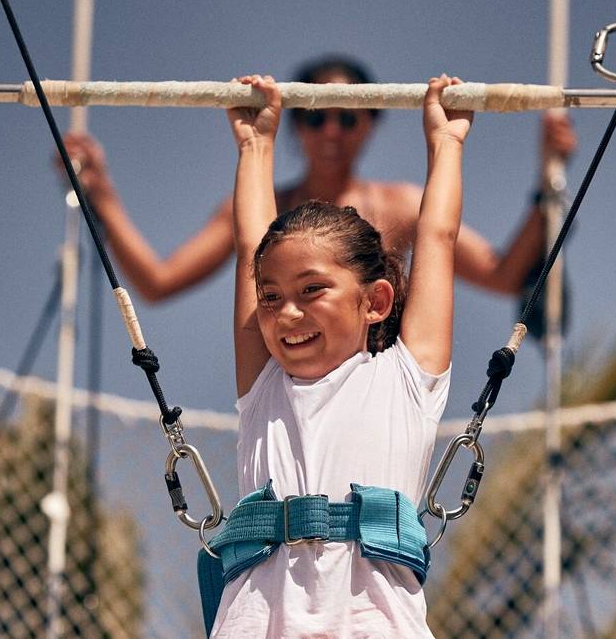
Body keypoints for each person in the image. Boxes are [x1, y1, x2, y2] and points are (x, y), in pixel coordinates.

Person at [196, 73, 469, 638]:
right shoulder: (264, 382)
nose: (286, 313)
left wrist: (446, 145)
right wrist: (255, 146)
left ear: (375, 301)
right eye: (270, 297)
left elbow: (437, 237)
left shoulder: (405, 379)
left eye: (312, 290)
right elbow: (252, 243)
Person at [60, 56, 576, 304]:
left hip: (380, 383)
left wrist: (547, 179)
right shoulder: (259, 208)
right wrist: (101, 196)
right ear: (293, 123)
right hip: (285, 386)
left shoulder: (400, 206)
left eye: (347, 117)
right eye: (315, 116)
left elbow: (504, 275)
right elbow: (157, 282)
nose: (331, 129)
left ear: (371, 124)